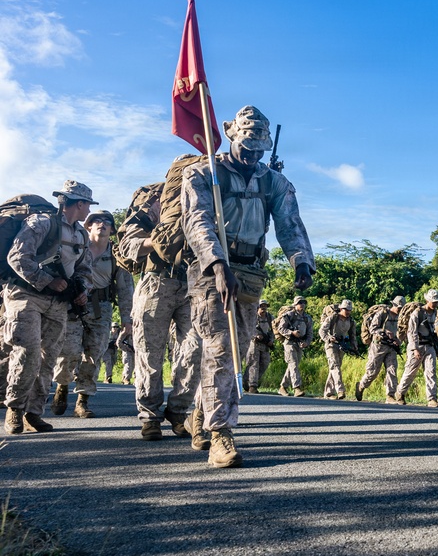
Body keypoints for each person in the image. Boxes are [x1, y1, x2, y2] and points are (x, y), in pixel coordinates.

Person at [181, 105, 315, 467]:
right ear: (231, 136)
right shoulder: (203, 173)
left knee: (234, 349)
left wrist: (301, 260)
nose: (252, 155)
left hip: (251, 271)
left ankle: (201, 414)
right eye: (247, 147)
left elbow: (289, 223)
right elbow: (197, 221)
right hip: (211, 269)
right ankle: (220, 434)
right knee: (221, 349)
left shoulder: (274, 181)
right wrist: (217, 264)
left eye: (259, 150)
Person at [3, 180, 94, 434]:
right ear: (79, 203)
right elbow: (16, 257)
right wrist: (47, 280)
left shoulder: (81, 235)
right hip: (25, 295)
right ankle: (15, 408)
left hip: (58, 302)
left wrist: (82, 291)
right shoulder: (41, 223)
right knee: (28, 350)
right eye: (88, 204)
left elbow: (85, 269)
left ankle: (33, 413)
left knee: (49, 357)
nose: (89, 210)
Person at [117, 177, 203, 443]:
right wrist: (160, 239)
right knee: (149, 353)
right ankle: (150, 417)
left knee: (194, 350)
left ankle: (178, 411)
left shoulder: (200, 204)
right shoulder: (149, 208)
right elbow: (127, 246)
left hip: (191, 284)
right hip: (156, 283)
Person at [51, 210, 134, 419]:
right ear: (88, 226)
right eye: (96, 220)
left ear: (112, 229)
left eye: (107, 222)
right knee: (68, 350)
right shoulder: (76, 247)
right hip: (72, 304)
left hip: (101, 307)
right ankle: (62, 385)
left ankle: (82, 400)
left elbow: (125, 289)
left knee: (94, 353)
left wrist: (127, 319)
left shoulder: (117, 255)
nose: (101, 224)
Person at [394, 290, 438, 407]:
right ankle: (400, 393)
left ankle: (432, 398)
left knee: (431, 372)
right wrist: (414, 349)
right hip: (417, 346)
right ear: (427, 300)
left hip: (430, 346)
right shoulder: (417, 313)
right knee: (410, 372)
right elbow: (412, 332)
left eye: (437, 302)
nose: (435, 304)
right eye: (433, 301)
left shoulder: (436, 314)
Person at [356, 296, 404, 404]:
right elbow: (372, 328)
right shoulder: (383, 313)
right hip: (378, 346)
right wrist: (385, 331)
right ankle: (361, 385)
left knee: (392, 370)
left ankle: (390, 395)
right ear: (394, 305)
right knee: (372, 372)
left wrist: (397, 340)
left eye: (401, 308)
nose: (400, 310)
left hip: (391, 347)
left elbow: (400, 331)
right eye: (399, 307)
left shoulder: (399, 317)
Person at [320, 299, 356, 399]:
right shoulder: (333, 318)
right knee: (335, 366)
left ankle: (328, 393)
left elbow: (353, 336)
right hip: (331, 345)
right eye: (346, 309)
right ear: (341, 309)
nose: (348, 311)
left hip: (342, 346)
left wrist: (354, 346)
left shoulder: (351, 321)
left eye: (349, 310)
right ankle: (340, 390)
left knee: (335, 368)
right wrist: (328, 338)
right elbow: (322, 331)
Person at [278, 296, 313, 397]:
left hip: (300, 344)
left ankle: (283, 387)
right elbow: (281, 328)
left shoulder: (307, 318)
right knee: (293, 363)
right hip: (289, 343)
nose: (302, 304)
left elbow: (310, 333)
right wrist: (292, 332)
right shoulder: (289, 315)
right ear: (295, 304)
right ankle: (297, 388)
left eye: (303, 302)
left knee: (293, 365)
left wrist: (306, 342)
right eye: (300, 302)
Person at [245, 299, 275, 395]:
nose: (264, 308)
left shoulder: (270, 317)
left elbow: (274, 330)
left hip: (265, 344)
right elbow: (247, 328)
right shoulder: (252, 317)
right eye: (262, 306)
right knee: (253, 364)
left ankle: (246, 380)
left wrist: (271, 340)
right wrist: (255, 336)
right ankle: (252, 386)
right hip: (254, 343)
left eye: (265, 306)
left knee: (264, 364)